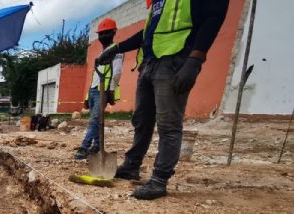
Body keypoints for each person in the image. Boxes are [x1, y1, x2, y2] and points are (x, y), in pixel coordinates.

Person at [97, 0, 228, 199]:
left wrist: (195, 60)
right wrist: (116, 49)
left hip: (175, 60)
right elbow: (147, 33)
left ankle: (159, 179)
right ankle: (132, 165)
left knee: (168, 123)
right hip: (149, 62)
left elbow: (214, 17)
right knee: (142, 120)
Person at [75, 18, 123, 160]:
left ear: (113, 32)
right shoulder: (100, 55)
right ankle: (96, 145)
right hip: (94, 90)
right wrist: (86, 97)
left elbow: (117, 73)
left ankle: (84, 147)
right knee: (95, 119)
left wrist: (111, 91)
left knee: (94, 119)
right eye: (100, 34)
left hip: (105, 90)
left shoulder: (116, 52)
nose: (102, 37)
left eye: (106, 33)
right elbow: (94, 77)